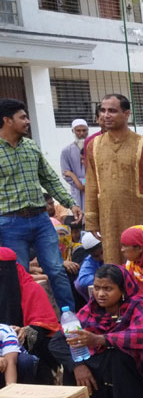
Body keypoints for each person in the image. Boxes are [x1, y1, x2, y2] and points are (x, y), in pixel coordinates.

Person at [0, 98, 83, 311]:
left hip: (40, 220)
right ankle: (27, 325)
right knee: (19, 276)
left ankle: (69, 321)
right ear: (7, 120)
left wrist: (70, 203)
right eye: (23, 117)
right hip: (9, 223)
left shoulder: (31, 147)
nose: (28, 121)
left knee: (56, 270)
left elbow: (49, 178)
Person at [85, 94, 143, 265]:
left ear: (126, 114)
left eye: (112, 111)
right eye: (103, 110)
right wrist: (92, 218)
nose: (106, 115)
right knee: (114, 265)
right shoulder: (93, 146)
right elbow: (92, 183)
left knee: (142, 265)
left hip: (140, 217)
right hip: (108, 219)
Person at [67, 264, 143, 398]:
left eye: (108, 289)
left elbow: (141, 335)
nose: (100, 294)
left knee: (116, 353)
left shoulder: (138, 305)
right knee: (73, 353)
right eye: (96, 288)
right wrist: (77, 365)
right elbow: (61, 338)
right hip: (100, 365)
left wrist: (101, 339)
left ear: (122, 290)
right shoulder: (90, 309)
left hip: (132, 367)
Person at [0, 247, 74, 384]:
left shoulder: (31, 289)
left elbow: (46, 323)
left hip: (24, 346)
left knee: (30, 358)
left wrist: (26, 331)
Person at [60, 118, 88, 208]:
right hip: (77, 190)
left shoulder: (94, 147)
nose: (81, 133)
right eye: (78, 130)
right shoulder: (66, 151)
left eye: (84, 130)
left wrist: (84, 182)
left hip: (93, 187)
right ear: (73, 131)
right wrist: (81, 182)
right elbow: (65, 173)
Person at [75, 232, 104, 298]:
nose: (101, 257)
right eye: (96, 256)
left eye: (102, 252)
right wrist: (107, 279)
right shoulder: (89, 260)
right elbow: (83, 280)